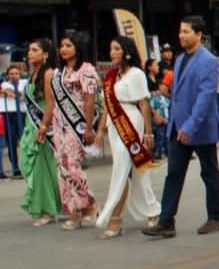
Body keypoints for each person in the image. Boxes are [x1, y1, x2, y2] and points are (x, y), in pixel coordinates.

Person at [143, 16, 219, 239]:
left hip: (199, 128)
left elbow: (205, 97)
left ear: (199, 34)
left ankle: (215, 217)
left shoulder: (208, 61)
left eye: (186, 31)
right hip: (177, 126)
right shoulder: (179, 59)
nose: (182, 35)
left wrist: (190, 125)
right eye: (180, 31)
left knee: (209, 173)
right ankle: (166, 221)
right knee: (174, 174)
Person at [91, 36, 161, 238]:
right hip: (114, 125)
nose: (112, 53)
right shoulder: (111, 76)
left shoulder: (136, 74)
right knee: (137, 170)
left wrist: (148, 132)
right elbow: (107, 106)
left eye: (116, 49)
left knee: (121, 168)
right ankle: (152, 209)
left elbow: (144, 104)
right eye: (111, 49)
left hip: (130, 122)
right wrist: (100, 130)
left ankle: (114, 218)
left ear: (126, 52)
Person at [50, 32, 101, 230]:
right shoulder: (58, 73)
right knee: (62, 166)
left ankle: (88, 204)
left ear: (78, 48)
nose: (63, 49)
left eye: (68, 45)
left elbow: (89, 100)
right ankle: (74, 210)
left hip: (77, 123)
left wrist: (88, 128)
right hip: (59, 123)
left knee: (72, 165)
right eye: (62, 46)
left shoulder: (86, 70)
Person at [19, 38, 61, 226]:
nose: (30, 53)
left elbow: (51, 103)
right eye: (29, 49)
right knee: (27, 163)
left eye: (35, 50)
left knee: (42, 167)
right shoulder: (33, 74)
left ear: (45, 54)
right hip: (31, 123)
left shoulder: (48, 73)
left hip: (43, 124)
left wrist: (44, 126)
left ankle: (47, 209)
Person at [0, 65, 26, 179]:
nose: (14, 76)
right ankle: (15, 168)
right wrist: (16, 93)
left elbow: (19, 94)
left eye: (16, 73)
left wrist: (15, 93)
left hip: (22, 113)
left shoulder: (24, 82)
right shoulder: (5, 84)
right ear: (8, 75)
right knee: (12, 142)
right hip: (10, 114)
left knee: (25, 141)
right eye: (11, 74)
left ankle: (26, 167)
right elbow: (13, 93)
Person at [149, 76, 170, 159]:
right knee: (160, 136)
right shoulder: (156, 98)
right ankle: (158, 152)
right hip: (159, 120)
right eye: (164, 86)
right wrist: (158, 116)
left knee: (167, 136)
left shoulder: (167, 98)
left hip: (167, 120)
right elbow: (151, 107)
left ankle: (167, 151)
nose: (166, 88)